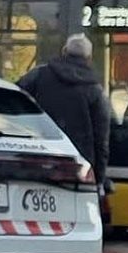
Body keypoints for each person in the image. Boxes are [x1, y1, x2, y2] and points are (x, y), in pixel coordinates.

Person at [18, 33, 111, 187]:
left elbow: (15, 100)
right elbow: (101, 140)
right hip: (77, 168)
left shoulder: (39, 75)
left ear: (64, 51)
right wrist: (99, 179)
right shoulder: (95, 89)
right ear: (89, 58)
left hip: (37, 158)